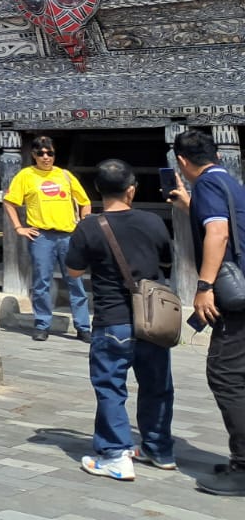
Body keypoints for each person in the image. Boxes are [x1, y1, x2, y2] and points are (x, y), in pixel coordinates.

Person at [64, 158, 175, 481]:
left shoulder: (88, 227)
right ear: (131, 190)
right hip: (153, 318)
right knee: (157, 385)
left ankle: (115, 454)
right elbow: (167, 261)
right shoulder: (153, 221)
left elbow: (73, 271)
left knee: (111, 387)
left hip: (112, 319)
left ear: (97, 190)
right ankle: (159, 449)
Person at [171, 129, 245, 498]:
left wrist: (203, 287)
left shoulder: (206, 187)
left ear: (182, 161)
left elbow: (219, 233)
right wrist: (188, 206)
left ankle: (244, 467)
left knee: (227, 376)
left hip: (234, 301)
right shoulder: (229, 182)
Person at [3, 135, 92, 341]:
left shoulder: (65, 175)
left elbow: (84, 201)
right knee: (41, 281)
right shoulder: (25, 176)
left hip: (68, 236)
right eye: (41, 153)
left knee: (75, 281)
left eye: (49, 153)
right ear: (33, 155)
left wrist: (83, 222)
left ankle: (83, 326)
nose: (46, 157)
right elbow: (9, 202)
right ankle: (42, 323)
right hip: (41, 235)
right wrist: (19, 227)